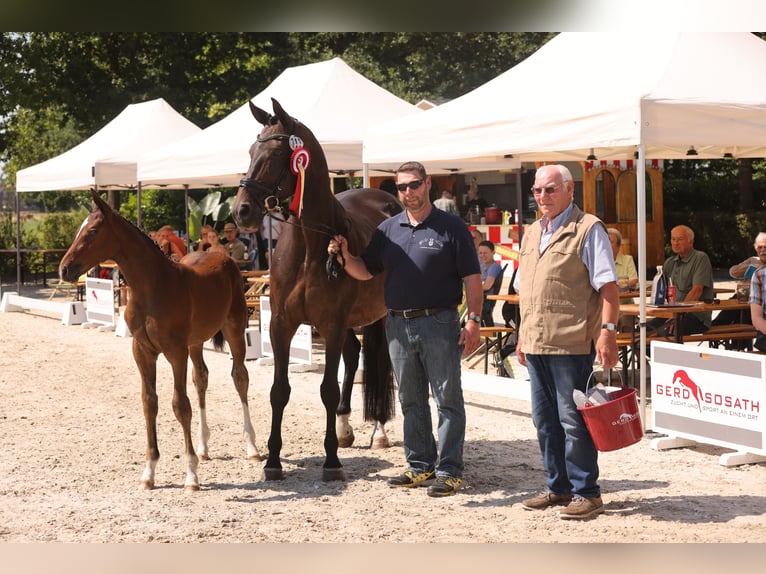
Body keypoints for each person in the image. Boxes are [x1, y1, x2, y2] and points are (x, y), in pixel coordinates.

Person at [328, 160, 482, 498]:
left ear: (427, 184)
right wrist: (343, 255)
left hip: (439, 321)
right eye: (402, 187)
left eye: (414, 185)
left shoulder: (452, 227)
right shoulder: (388, 230)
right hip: (397, 324)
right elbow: (365, 271)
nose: (408, 192)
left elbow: (473, 277)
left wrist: (473, 319)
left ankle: (450, 470)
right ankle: (419, 465)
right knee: (410, 399)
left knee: (447, 400)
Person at [515, 164, 619, 520]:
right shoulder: (531, 233)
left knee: (573, 421)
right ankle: (558, 488)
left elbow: (608, 287)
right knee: (544, 421)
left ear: (569, 190)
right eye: (538, 190)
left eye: (550, 190)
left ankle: (587, 493)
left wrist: (608, 330)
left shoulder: (588, 229)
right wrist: (521, 336)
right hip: (536, 342)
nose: (543, 197)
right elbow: (524, 291)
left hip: (571, 344)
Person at [647, 225, 714, 337]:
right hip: (673, 314)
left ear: (691, 241)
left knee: (664, 333)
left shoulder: (700, 258)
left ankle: (667, 354)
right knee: (641, 331)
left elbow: (697, 291)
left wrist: (678, 314)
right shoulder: (670, 262)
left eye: (680, 239)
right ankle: (652, 355)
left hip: (695, 316)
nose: (676, 243)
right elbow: (661, 290)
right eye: (673, 239)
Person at [712, 231, 766, 328]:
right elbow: (732, 272)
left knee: (743, 318)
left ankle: (741, 340)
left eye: (765, 247)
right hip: (743, 296)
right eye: (760, 247)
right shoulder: (753, 260)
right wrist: (750, 267)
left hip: (758, 303)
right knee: (728, 312)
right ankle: (716, 328)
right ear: (755, 248)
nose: (763, 250)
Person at [607, 227, 638, 332]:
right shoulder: (599, 263)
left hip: (626, 306)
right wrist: (622, 285)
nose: (606, 245)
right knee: (608, 327)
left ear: (619, 246)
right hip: (607, 308)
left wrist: (615, 287)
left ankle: (631, 348)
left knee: (626, 323)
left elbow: (634, 280)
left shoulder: (627, 259)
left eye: (610, 242)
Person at [477, 240, 503, 326]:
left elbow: (487, 286)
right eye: (480, 253)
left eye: (485, 253)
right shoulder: (484, 266)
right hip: (483, 300)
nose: (482, 255)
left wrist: (470, 288)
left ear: (493, 252)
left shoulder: (494, 267)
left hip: (485, 302)